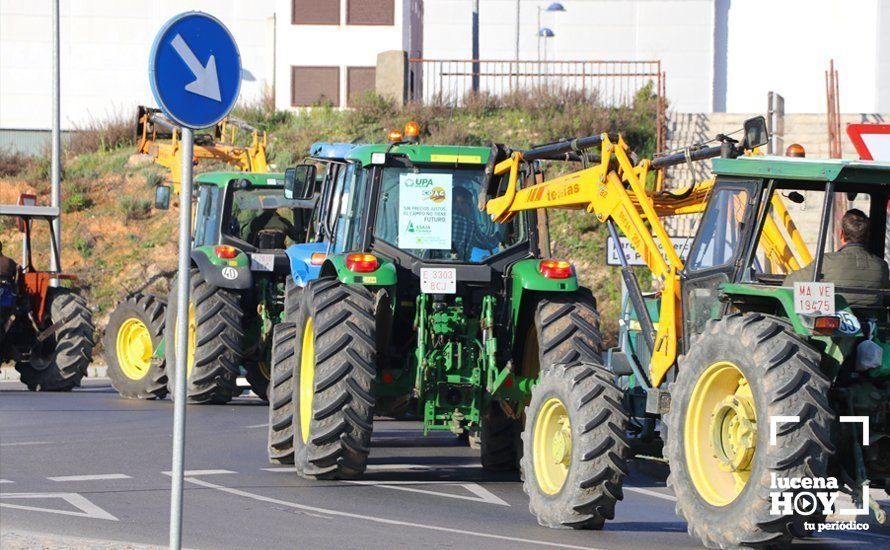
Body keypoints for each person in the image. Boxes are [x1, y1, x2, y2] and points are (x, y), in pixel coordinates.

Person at [784, 209, 889, 307]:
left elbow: (789, 283)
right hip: (872, 323)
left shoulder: (827, 261)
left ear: (841, 234)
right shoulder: (882, 266)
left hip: (834, 323)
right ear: (867, 236)